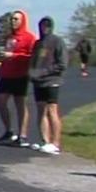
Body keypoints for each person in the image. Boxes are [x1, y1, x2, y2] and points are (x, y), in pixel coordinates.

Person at [0, 10, 35, 147]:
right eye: (12, 19)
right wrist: (2, 56)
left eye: (17, 19)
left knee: (20, 104)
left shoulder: (29, 38)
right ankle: (8, 130)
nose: (14, 21)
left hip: (21, 74)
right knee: (1, 101)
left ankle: (22, 135)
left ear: (23, 20)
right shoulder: (8, 37)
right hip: (6, 73)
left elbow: (32, 56)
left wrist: (15, 55)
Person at [29, 16, 67, 155]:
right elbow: (34, 60)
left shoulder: (57, 41)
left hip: (52, 80)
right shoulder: (38, 43)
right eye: (42, 26)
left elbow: (62, 64)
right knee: (41, 110)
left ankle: (55, 143)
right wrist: (32, 72)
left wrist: (45, 72)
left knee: (52, 110)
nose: (44, 28)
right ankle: (45, 141)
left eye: (47, 26)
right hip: (38, 81)